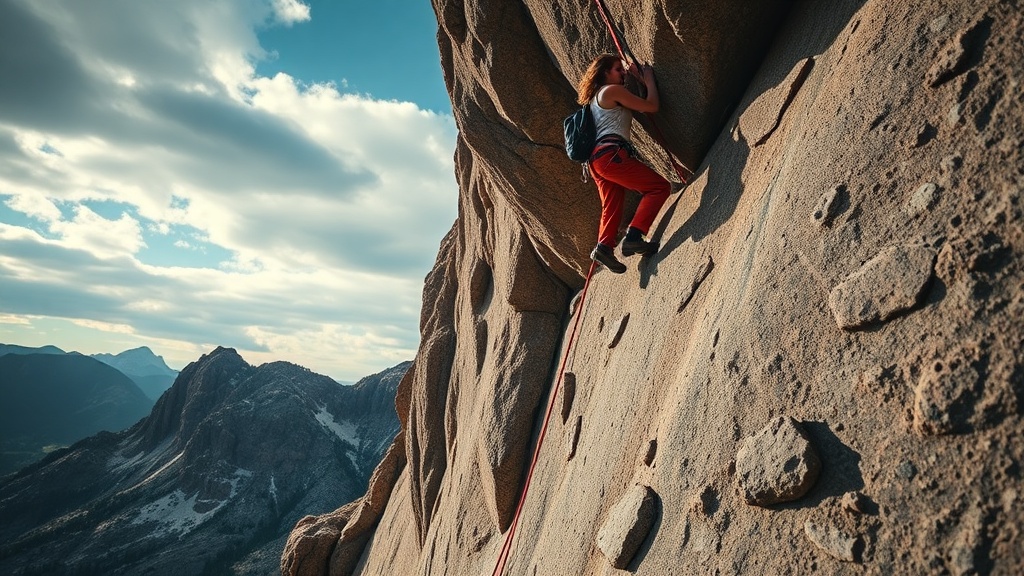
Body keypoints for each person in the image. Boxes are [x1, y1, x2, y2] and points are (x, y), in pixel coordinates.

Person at [577, 53, 671, 274]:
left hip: (596, 162)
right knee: (659, 187)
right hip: (611, 156)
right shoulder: (611, 91)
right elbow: (651, 106)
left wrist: (636, 78)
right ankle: (634, 237)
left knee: (612, 204)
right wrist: (648, 79)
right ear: (605, 73)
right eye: (618, 69)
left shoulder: (594, 100)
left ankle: (604, 248)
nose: (623, 74)